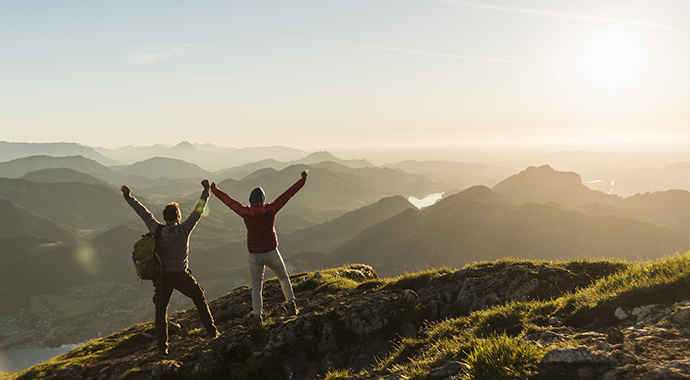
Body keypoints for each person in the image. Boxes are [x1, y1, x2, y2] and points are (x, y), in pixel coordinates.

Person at [121, 180, 219, 355]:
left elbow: (143, 213)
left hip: (162, 277)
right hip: (181, 274)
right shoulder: (184, 229)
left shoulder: (156, 228)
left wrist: (129, 198)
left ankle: (162, 348)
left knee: (161, 309)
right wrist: (206, 191)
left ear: (165, 217)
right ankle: (212, 333)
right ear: (178, 216)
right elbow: (198, 211)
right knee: (199, 298)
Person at [210, 170, 308, 324]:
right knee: (283, 277)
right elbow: (287, 195)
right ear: (263, 199)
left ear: (250, 200)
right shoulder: (271, 209)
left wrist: (214, 190)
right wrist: (302, 181)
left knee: (256, 287)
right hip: (272, 252)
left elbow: (229, 201)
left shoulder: (245, 212)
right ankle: (291, 306)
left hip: (254, 256)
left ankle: (257, 316)